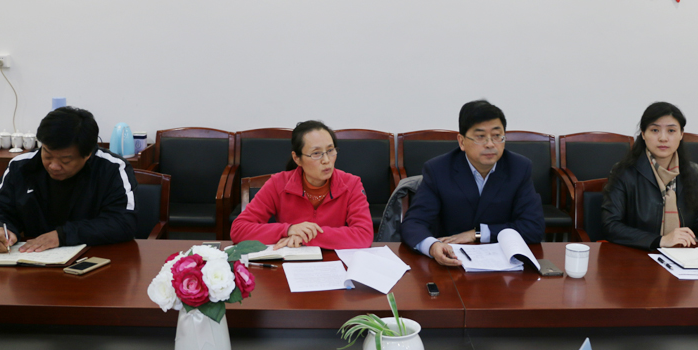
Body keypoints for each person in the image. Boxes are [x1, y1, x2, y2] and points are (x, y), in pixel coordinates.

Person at [401, 100, 545, 267]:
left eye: (497, 136)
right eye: (480, 137)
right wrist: (433, 246)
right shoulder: (438, 170)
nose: (490, 144)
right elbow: (414, 223)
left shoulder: (519, 168)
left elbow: (533, 227)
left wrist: (478, 234)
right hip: (451, 262)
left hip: (503, 264)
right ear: (462, 141)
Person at [0, 106, 138, 253]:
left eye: (65, 160)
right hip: (33, 259)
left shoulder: (112, 169)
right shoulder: (22, 166)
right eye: (47, 155)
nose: (54, 166)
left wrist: (63, 235)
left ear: (88, 154)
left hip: (97, 258)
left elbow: (123, 222)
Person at [602, 101, 698, 250]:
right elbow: (611, 226)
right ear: (643, 134)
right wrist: (661, 240)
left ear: (681, 134)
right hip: (638, 255)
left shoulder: (692, 172)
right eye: (655, 130)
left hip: (681, 255)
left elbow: (697, 221)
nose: (663, 138)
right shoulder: (624, 172)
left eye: (671, 131)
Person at [230, 120, 374, 250]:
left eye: (330, 150)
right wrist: (288, 230)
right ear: (297, 158)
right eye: (316, 153)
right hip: (290, 261)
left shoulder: (352, 184)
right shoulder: (278, 183)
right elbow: (238, 230)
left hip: (333, 260)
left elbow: (364, 235)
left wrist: (306, 236)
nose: (326, 160)